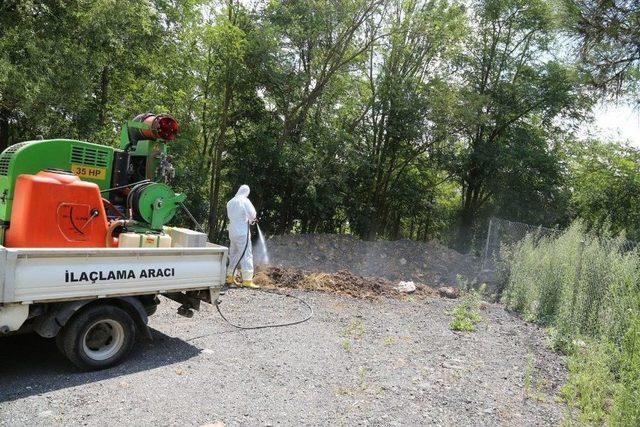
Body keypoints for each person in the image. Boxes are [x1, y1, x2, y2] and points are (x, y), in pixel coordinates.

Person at [226, 185, 259, 288]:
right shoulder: (245, 200)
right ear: (246, 192)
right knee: (246, 255)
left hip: (232, 232)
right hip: (242, 232)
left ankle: (230, 277)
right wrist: (252, 220)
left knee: (234, 254)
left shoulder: (230, 202)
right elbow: (252, 214)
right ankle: (247, 280)